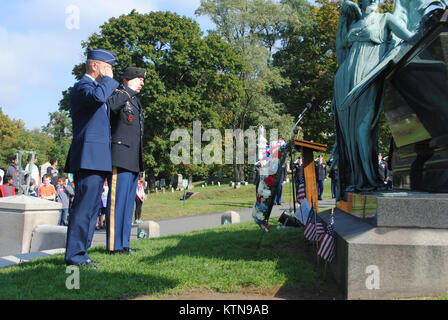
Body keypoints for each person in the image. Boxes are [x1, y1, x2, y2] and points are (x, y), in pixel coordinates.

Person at [332, 0, 415, 198]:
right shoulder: (354, 24)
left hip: (368, 79)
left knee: (363, 129)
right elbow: (341, 51)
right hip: (345, 81)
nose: (371, 1)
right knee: (350, 135)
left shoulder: (386, 18)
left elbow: (411, 38)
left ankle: (370, 179)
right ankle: (356, 180)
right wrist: (343, 19)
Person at [64, 48, 119, 268]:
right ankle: (75, 256)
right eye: (107, 67)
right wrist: (108, 80)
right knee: (83, 209)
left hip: (97, 159)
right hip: (87, 158)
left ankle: (82, 254)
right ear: (95, 65)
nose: (110, 72)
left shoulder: (98, 89)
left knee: (91, 209)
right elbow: (97, 98)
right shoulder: (83, 87)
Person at [106, 66, 145, 254]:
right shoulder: (118, 94)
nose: (142, 82)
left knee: (128, 205)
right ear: (129, 79)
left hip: (133, 158)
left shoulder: (135, 101)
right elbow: (112, 106)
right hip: (120, 157)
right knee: (117, 203)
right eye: (139, 79)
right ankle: (114, 245)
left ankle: (124, 244)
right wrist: (128, 89)